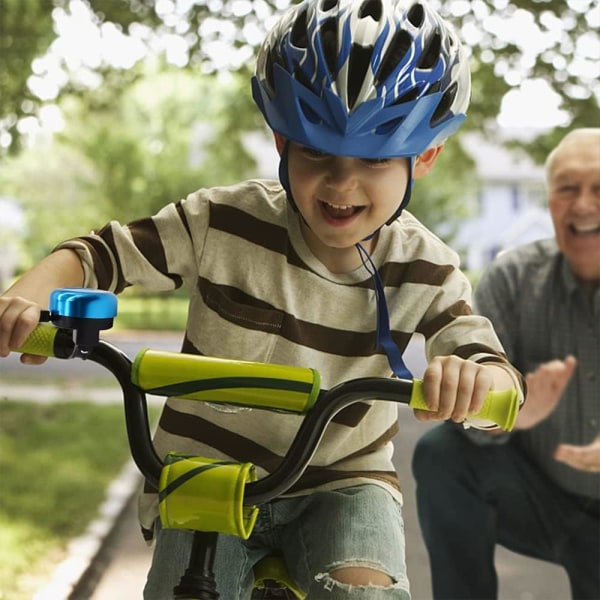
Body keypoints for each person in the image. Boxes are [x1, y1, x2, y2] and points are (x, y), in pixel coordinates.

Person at [0, 1, 524, 598]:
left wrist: (476, 380)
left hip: (343, 481)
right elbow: (103, 254)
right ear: (281, 141)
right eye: (316, 151)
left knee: (365, 591)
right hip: (205, 472)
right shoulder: (221, 221)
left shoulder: (426, 267)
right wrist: (24, 297)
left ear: (424, 156)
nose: (341, 183)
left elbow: (494, 371)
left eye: (376, 158)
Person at [412, 128, 600, 600]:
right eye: (568, 188)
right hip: (540, 495)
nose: (582, 205)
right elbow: (469, 422)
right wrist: (509, 415)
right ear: (550, 200)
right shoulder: (514, 278)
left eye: (598, 188)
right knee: (442, 454)